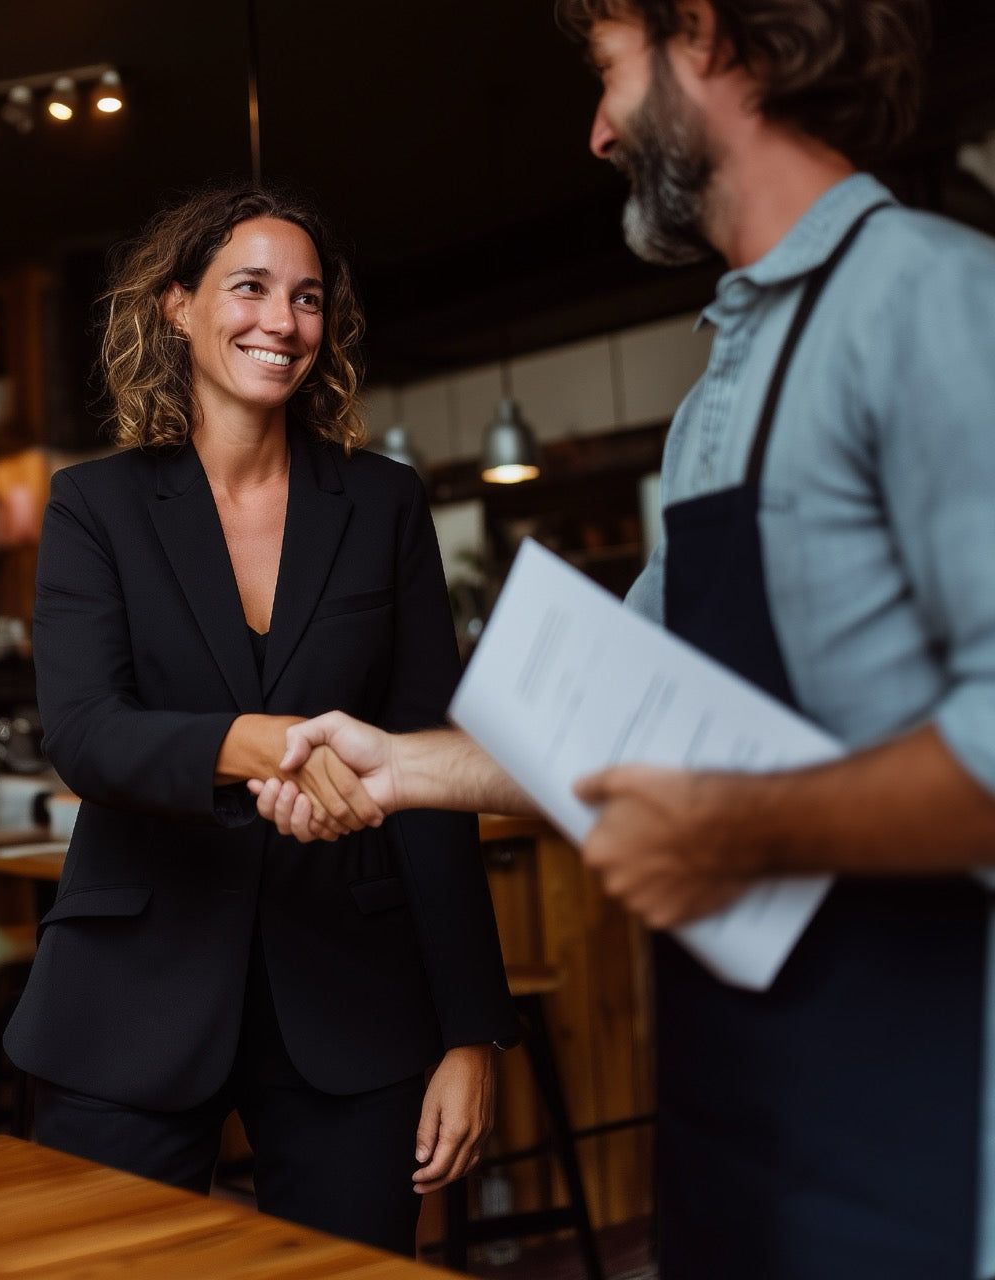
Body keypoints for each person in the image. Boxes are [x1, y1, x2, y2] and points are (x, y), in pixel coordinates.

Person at [250, 3, 995, 1277]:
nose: (596, 132)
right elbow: (608, 715)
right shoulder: (715, 392)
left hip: (919, 1086)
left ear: (700, 35)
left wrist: (737, 828)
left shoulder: (934, 299)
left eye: (606, 75)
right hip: (734, 1090)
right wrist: (397, 768)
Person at [2, 183, 518, 1257]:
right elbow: (86, 732)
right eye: (248, 288)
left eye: (306, 298)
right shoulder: (91, 505)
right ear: (177, 306)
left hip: (352, 997)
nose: (280, 321)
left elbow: (431, 770)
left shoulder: (383, 504)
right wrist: (258, 743)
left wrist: (470, 1028)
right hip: (128, 995)